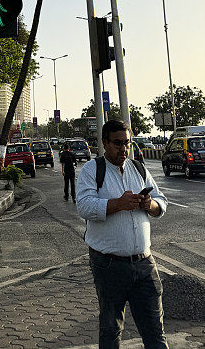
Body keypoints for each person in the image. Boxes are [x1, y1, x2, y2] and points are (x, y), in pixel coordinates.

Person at [77, 119, 169, 349]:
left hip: (144, 263)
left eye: (127, 143)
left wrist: (149, 205)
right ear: (105, 143)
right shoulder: (92, 170)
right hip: (109, 266)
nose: (123, 149)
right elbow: (85, 207)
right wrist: (118, 203)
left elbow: (161, 202)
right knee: (111, 330)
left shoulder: (138, 168)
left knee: (155, 332)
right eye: (117, 143)